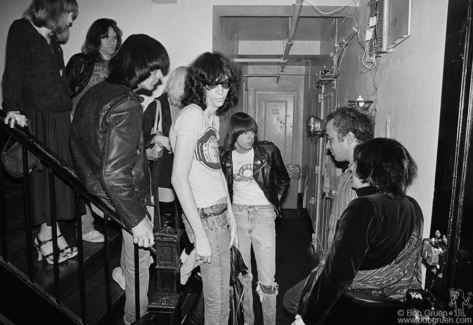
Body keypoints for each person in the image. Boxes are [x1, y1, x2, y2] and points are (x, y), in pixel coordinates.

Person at [70, 34, 169, 325]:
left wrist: (144, 156)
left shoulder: (96, 92)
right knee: (141, 267)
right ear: (137, 66)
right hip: (125, 198)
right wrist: (138, 219)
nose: (159, 76)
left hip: (97, 194)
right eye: (154, 69)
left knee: (138, 261)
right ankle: (133, 319)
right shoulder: (127, 104)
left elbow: (95, 147)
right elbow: (114, 172)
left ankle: (123, 275)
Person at [285, 138, 424, 325]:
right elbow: (412, 269)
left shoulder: (364, 207)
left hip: (355, 309)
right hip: (391, 309)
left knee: (291, 300)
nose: (352, 169)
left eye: (357, 163)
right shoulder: (412, 205)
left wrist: (308, 318)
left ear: (370, 169)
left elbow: (337, 273)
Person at [2, 0, 79, 265]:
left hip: (58, 117)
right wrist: (11, 107)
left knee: (60, 179)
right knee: (44, 179)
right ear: (54, 8)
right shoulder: (22, 29)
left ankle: (51, 232)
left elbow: (58, 80)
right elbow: (13, 71)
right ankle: (45, 236)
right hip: (38, 116)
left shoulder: (54, 41)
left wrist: (68, 110)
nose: (71, 20)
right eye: (69, 13)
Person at [170, 52, 241, 324]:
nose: (221, 91)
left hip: (218, 215)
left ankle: (187, 264)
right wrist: (200, 235)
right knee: (219, 304)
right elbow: (178, 178)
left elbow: (217, 174)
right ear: (200, 86)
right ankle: (189, 260)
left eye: (225, 84)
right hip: (207, 219)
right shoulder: (192, 115)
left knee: (220, 295)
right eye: (214, 84)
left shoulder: (209, 119)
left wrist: (232, 218)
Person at [220, 112, 290, 325]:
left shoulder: (268, 151)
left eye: (253, 132)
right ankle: (248, 321)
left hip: (263, 216)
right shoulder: (225, 158)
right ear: (234, 133)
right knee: (244, 276)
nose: (251, 136)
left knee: (267, 279)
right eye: (245, 132)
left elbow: (283, 179)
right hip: (238, 215)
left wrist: (271, 203)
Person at [65, 18, 123, 243]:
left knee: (106, 174)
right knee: (83, 176)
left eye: (115, 37)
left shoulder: (120, 67)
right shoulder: (81, 61)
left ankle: (111, 214)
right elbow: (64, 94)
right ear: (95, 39)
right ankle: (86, 225)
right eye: (106, 36)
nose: (111, 41)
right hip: (80, 129)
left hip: (108, 131)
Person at [323, 107, 374, 250]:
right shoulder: (349, 174)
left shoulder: (364, 180)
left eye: (330, 139)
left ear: (349, 138)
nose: (328, 146)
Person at [143, 66, 187, 229]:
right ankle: (166, 250)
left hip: (186, 165)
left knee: (186, 214)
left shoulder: (192, 107)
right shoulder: (157, 106)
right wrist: (157, 137)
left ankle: (182, 251)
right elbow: (138, 137)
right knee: (166, 216)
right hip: (164, 166)